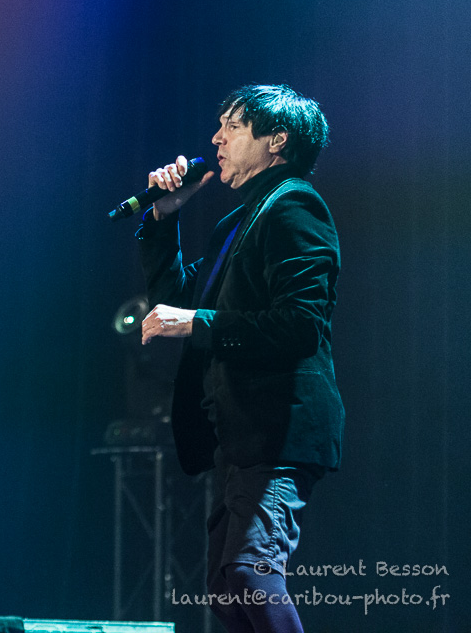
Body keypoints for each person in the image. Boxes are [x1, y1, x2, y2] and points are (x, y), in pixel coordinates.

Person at [136, 85, 343, 632]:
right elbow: (177, 300)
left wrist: (196, 323)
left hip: (278, 429)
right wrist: (164, 216)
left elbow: (299, 325)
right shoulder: (238, 223)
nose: (216, 139)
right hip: (239, 435)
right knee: (227, 591)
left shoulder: (294, 205)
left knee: (251, 571)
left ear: (277, 141)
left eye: (232, 126)